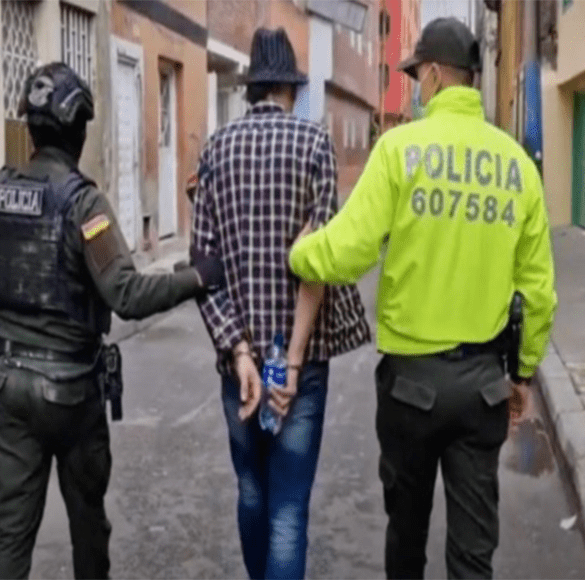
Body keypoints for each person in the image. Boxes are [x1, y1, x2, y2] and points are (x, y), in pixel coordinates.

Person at [289, 18, 558, 580]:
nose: (415, 87)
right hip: (483, 384)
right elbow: (538, 293)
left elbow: (347, 252)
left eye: (417, 77)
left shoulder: (398, 151)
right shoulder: (516, 167)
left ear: (434, 75)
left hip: (410, 389)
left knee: (406, 535)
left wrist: (299, 255)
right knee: (472, 551)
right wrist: (523, 375)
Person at [0, 62, 223, 580]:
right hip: (70, 393)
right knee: (88, 524)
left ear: (32, 130)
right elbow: (125, 293)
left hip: (8, 384)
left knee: (11, 535)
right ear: (78, 131)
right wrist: (196, 276)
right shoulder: (83, 204)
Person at [191, 28, 371, 580]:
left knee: (251, 492)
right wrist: (290, 361)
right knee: (288, 511)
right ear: (290, 88)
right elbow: (316, 263)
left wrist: (242, 354)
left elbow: (203, 269)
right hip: (302, 358)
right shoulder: (314, 144)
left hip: (238, 363)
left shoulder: (215, 151)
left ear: (252, 89)